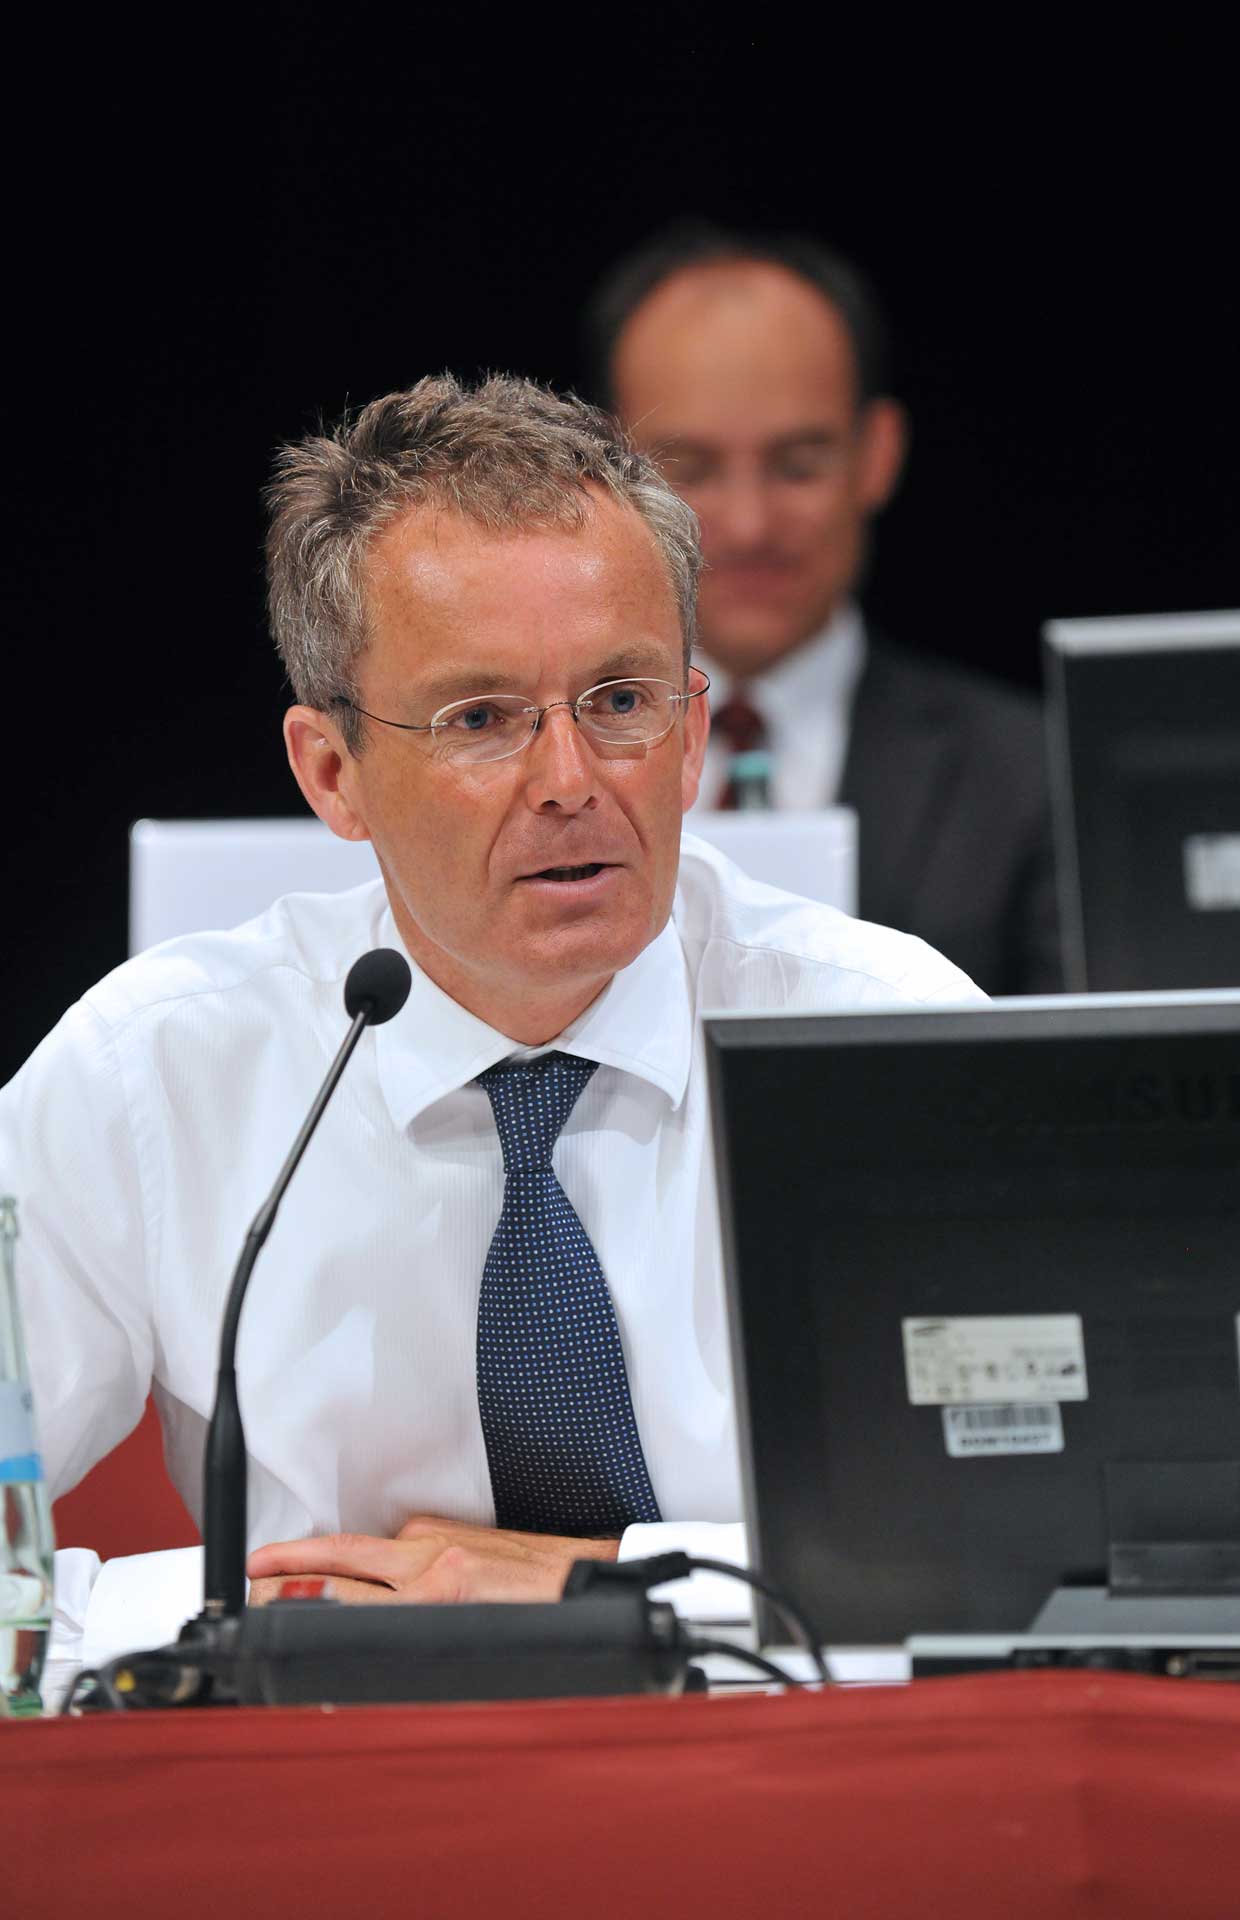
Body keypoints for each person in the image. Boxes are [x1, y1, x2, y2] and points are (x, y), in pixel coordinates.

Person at [2, 374, 978, 1667]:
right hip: (334, 1792)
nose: (570, 782)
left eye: (622, 702)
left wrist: (606, 1589)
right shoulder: (162, 1071)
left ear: (692, 740)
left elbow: (1013, 1549)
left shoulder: (886, 1040)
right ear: (331, 772)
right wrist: (262, 1621)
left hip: (781, 1783)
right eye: (481, 720)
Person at [586, 224, 1062, 995]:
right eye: (693, 468)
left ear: (877, 454)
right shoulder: (534, 758)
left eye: (797, 466)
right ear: (607, 466)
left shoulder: (1034, 778)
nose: (747, 525)